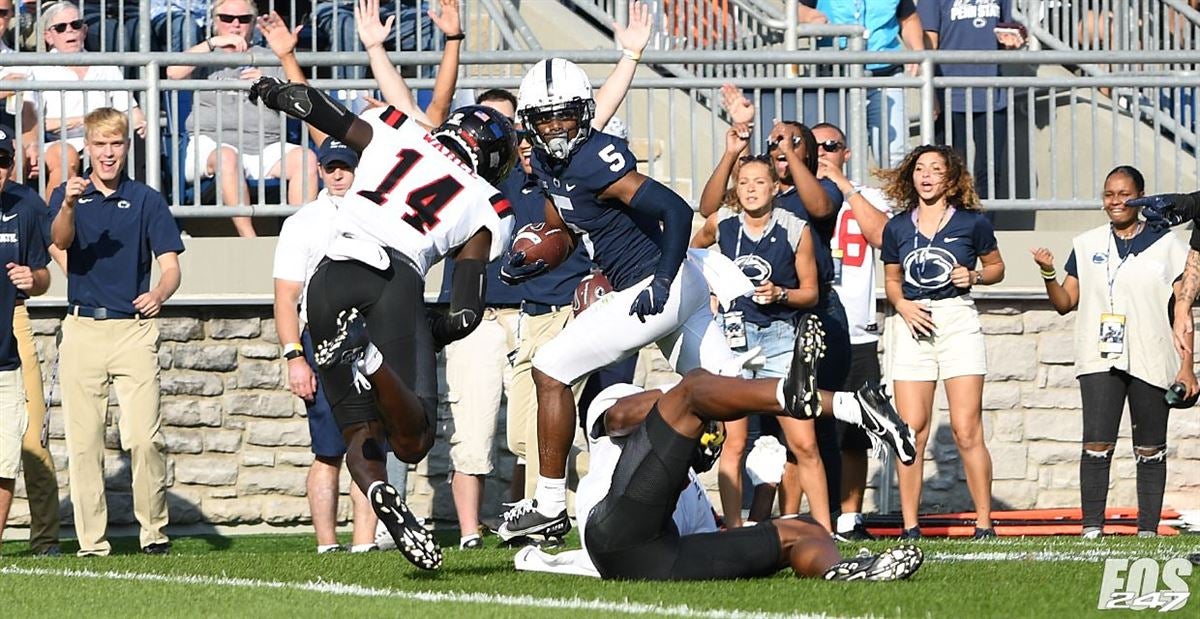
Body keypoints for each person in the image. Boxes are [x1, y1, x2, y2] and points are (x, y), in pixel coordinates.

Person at [247, 4, 519, 566]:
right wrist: (417, 333)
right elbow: (466, 315)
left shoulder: (399, 134)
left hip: (329, 278)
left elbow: (324, 112)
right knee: (412, 439)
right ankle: (369, 359)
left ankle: (375, 490)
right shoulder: (490, 205)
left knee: (355, 423)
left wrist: (276, 91)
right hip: (393, 277)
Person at [495, 43, 746, 543]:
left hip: (655, 284)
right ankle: (845, 404)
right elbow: (563, 229)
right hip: (682, 286)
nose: (557, 129)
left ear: (583, 114)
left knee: (549, 368)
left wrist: (660, 279)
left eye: (565, 117)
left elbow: (675, 210)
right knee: (729, 392)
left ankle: (547, 504)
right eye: (545, 121)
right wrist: (533, 257)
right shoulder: (547, 166)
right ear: (530, 124)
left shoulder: (593, 160)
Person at [574, 315, 923, 581]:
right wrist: (701, 391)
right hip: (609, 532)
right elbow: (619, 418)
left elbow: (717, 547)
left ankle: (844, 571)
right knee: (695, 387)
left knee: (803, 529)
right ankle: (844, 404)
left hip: (661, 558)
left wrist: (764, 489)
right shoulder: (620, 402)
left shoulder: (693, 489)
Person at [49, 107, 183, 557]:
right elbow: (60, 242)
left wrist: (160, 293)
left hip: (133, 330)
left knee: (145, 437)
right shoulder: (68, 196)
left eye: (116, 144)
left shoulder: (146, 199)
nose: (108, 153)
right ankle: (91, 543)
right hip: (83, 327)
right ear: (86, 147)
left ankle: (154, 532)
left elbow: (171, 266)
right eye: (100, 145)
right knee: (85, 444)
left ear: (127, 147)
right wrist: (68, 202)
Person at [1032, 166, 1192, 538]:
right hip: (1099, 355)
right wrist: (1047, 274)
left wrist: (1187, 366)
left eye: (1124, 194)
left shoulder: (1168, 244)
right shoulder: (1086, 244)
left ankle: (1147, 530)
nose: (1116, 201)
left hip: (1152, 354)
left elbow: (1182, 311)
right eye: (1109, 194)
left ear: (1140, 196)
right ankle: (1092, 529)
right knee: (1096, 441)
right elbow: (1065, 302)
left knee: (1150, 446)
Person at [690, 152, 834, 530]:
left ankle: (824, 529)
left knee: (803, 441)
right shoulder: (723, 223)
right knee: (734, 442)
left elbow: (810, 293)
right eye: (744, 182)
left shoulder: (794, 227)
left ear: (774, 187)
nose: (751, 189)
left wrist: (781, 295)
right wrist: (710, 290)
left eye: (759, 182)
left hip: (779, 339)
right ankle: (734, 530)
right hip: (734, 338)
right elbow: (692, 254)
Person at [878, 144, 1005, 540]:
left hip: (956, 320)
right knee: (911, 429)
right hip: (913, 323)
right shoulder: (897, 226)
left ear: (951, 178)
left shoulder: (972, 223)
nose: (927, 175)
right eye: (920, 169)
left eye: (935, 169)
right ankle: (911, 525)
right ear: (911, 177)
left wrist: (976, 278)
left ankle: (984, 522)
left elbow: (996, 267)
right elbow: (893, 280)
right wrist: (902, 306)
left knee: (967, 428)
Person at [273, 136, 380, 554]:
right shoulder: (302, 223)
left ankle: (365, 544)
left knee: (370, 443)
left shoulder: (379, 217)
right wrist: (293, 357)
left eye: (346, 167)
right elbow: (285, 297)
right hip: (320, 340)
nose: (337, 175)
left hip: (370, 338)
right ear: (318, 169)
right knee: (328, 450)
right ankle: (326, 545)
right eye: (330, 166)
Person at [166, 0, 319, 237]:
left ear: (254, 24)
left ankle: (302, 239)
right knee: (228, 156)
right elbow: (172, 73)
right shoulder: (204, 55)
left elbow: (298, 102)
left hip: (264, 146)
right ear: (214, 22)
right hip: (211, 145)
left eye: (244, 19)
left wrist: (270, 85)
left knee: (306, 159)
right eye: (227, 18)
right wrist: (212, 43)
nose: (235, 25)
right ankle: (250, 240)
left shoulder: (270, 58)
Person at [812, 121, 894, 541]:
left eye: (833, 145)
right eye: (816, 144)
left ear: (846, 152)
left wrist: (843, 185)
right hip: (809, 327)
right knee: (805, 427)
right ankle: (812, 515)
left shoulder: (865, 195)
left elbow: (883, 235)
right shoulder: (796, 196)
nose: (823, 150)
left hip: (857, 331)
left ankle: (850, 517)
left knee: (854, 434)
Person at [1, 125, 60, 555]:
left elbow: (43, 274)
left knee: (30, 436)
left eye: (3, 161)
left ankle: (45, 539)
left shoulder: (27, 204)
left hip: (13, 320)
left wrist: (32, 278)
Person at [22, 1, 147, 201]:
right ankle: (49, 223)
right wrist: (87, 121)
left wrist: (140, 122)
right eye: (61, 28)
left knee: (140, 138)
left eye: (76, 25)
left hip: (105, 140)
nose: (70, 31)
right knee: (66, 155)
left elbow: (131, 110)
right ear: (48, 36)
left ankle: (142, 210)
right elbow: (36, 123)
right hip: (60, 143)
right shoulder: (37, 70)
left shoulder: (106, 66)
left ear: (85, 30)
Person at [918, 0, 1027, 200]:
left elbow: (1003, 34)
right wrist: (930, 91)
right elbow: (928, 43)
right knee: (949, 172)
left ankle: (984, 228)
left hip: (992, 92)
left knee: (990, 172)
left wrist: (1012, 42)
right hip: (948, 93)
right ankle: (952, 227)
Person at [798, 0, 925, 168]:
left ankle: (897, 193)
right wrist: (808, 16)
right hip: (836, 76)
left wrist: (917, 51)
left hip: (886, 74)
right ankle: (840, 193)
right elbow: (795, 8)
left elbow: (908, 18)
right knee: (841, 151)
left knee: (894, 153)